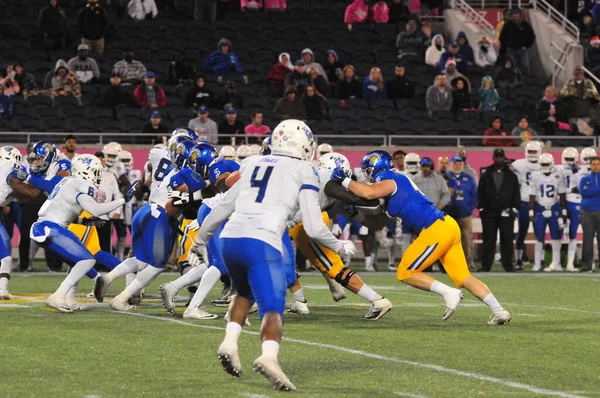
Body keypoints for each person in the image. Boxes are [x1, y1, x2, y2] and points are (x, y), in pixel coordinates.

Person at [193, 120, 358, 390]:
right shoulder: (305, 169)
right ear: (305, 145)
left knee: (244, 294)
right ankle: (268, 356)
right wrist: (340, 246)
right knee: (272, 307)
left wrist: (201, 239)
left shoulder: (253, 163)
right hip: (262, 240)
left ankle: (229, 342)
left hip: (230, 239)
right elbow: (315, 227)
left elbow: (224, 205)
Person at [331, 150, 512, 325]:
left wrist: (345, 181)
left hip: (435, 228)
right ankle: (499, 311)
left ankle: (449, 293)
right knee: (463, 276)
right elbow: (378, 223)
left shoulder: (393, 179)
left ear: (377, 167)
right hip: (445, 226)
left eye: (368, 172)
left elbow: (367, 193)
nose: (367, 176)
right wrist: (355, 215)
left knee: (405, 272)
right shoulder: (392, 189)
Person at [33, 154, 138, 312]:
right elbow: (96, 209)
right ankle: (59, 295)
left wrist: (83, 222)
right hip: (51, 228)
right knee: (88, 260)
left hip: (45, 227)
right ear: (85, 171)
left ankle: (70, 299)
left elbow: (62, 209)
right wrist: (123, 200)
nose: (98, 176)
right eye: (95, 172)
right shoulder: (80, 183)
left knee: (77, 260)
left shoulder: (68, 181)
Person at [477, 148, 520, 272]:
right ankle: (486, 265)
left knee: (507, 238)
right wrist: (481, 208)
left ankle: (508, 265)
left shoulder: (511, 175)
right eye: (497, 156)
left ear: (504, 158)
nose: (499, 159)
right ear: (493, 158)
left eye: (501, 156)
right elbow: (481, 192)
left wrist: (514, 207)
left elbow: (516, 192)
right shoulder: (486, 174)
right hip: (489, 212)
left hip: (506, 211)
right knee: (488, 239)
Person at [528, 154, 568, 271]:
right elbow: (532, 196)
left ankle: (556, 263)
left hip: (554, 207)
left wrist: (564, 212)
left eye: (546, 164)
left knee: (556, 237)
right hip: (540, 208)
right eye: (543, 164)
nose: (545, 167)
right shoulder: (535, 176)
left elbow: (562, 196)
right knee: (539, 237)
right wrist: (531, 212)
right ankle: (537, 263)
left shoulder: (558, 176)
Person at [511, 141, 542, 269]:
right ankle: (519, 260)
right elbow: (514, 182)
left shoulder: (544, 163)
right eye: (530, 151)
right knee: (521, 233)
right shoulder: (519, 165)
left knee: (539, 233)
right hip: (524, 202)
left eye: (535, 151)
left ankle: (540, 260)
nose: (532, 154)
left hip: (539, 203)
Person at [555, 148, 586, 272]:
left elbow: (581, 186)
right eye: (567, 159)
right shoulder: (557, 168)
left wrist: (576, 174)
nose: (569, 162)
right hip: (562, 201)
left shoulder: (580, 170)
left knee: (573, 233)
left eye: (571, 159)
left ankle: (570, 263)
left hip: (575, 202)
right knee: (557, 231)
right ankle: (556, 262)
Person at [446, 156, 477, 269]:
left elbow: (474, 195)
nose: (457, 166)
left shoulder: (469, 178)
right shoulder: (446, 177)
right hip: (449, 214)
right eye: (455, 164)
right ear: (451, 164)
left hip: (465, 214)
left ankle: (468, 262)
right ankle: (450, 263)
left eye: (459, 164)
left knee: (466, 239)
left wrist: (469, 209)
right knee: (449, 240)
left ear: (463, 165)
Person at [559, 65, 600, 129]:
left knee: (584, 132)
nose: (578, 75)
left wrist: (587, 94)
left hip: (585, 114)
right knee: (574, 131)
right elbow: (562, 94)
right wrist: (571, 94)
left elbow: (596, 96)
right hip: (572, 113)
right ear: (573, 74)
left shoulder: (589, 83)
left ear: (582, 74)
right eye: (576, 74)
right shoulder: (569, 83)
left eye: (579, 73)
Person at [579, 154, 600, 272]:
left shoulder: (586, 181)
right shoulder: (584, 179)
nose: (595, 167)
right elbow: (583, 192)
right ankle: (587, 266)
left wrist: (590, 190)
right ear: (590, 166)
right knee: (587, 239)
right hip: (587, 212)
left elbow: (588, 192)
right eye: (593, 165)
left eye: (597, 164)